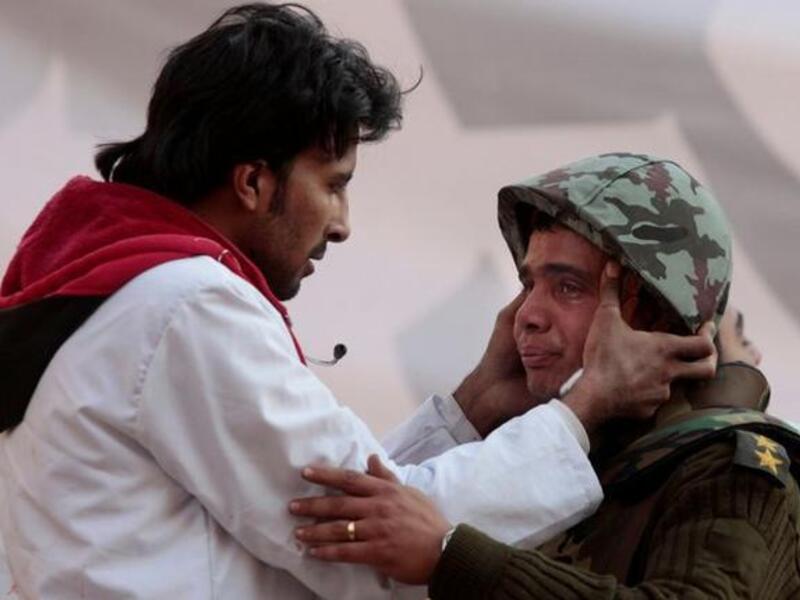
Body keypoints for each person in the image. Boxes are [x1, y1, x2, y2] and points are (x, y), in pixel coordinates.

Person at [0, 6, 717, 598]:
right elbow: (362, 546)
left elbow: (330, 505)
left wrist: (470, 412)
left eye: (568, 286)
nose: (342, 223)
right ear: (253, 183)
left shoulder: (120, 288)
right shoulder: (186, 307)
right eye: (333, 183)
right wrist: (584, 409)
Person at [290, 153, 800, 598]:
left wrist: (454, 559)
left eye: (569, 288)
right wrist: (480, 404)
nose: (526, 315)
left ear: (656, 314)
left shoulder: (732, 472)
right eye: (529, 283)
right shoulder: (566, 455)